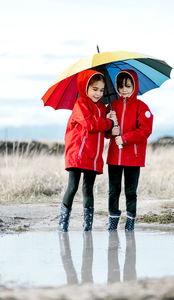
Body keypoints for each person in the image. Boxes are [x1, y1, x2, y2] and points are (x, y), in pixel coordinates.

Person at [58, 69, 116, 232]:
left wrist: (112, 124)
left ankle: (87, 227)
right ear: (86, 88)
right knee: (73, 187)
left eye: (101, 90)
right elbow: (90, 124)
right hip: (78, 154)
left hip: (93, 156)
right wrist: (108, 123)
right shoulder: (80, 104)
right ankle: (63, 224)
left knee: (88, 189)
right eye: (94, 89)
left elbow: (105, 133)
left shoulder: (103, 108)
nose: (98, 93)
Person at [106, 69, 153, 231]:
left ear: (135, 86)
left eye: (127, 85)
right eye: (120, 86)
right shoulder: (112, 107)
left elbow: (145, 131)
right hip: (114, 157)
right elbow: (106, 134)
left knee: (130, 191)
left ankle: (130, 223)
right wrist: (110, 125)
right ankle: (112, 223)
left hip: (133, 158)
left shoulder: (142, 107)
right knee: (113, 191)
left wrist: (124, 138)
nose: (124, 89)